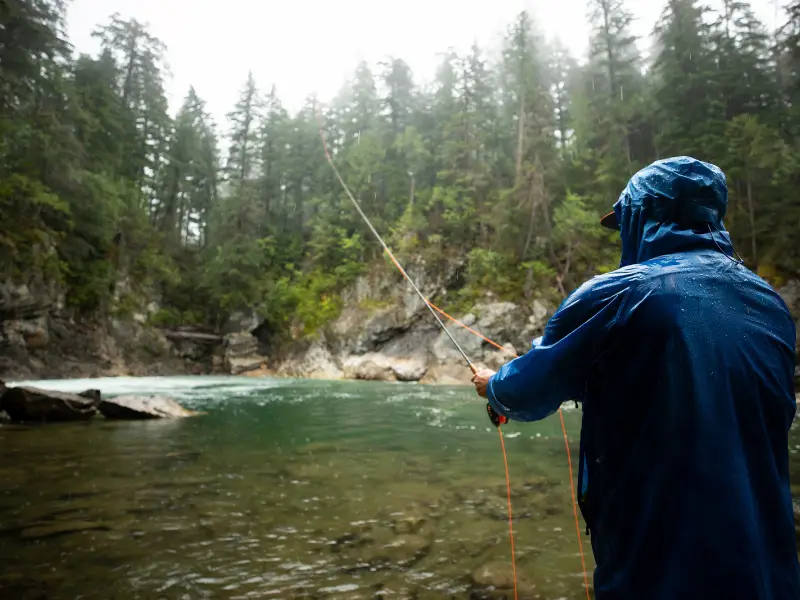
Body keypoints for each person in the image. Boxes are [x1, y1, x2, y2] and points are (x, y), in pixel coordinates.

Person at [471, 156, 800, 600]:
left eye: (624, 219)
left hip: (658, 569)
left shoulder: (620, 293)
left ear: (642, 216)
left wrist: (492, 385)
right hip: (769, 571)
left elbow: (525, 391)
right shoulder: (771, 306)